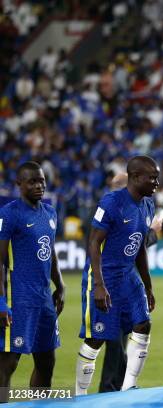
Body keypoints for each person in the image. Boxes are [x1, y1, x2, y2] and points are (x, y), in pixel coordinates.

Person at [75, 156, 160, 395]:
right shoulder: (112, 202)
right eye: (151, 177)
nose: (156, 182)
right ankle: (80, 395)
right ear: (134, 177)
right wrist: (99, 285)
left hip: (128, 275)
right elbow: (94, 242)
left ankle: (129, 385)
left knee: (143, 324)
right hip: (104, 275)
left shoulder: (147, 204)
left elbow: (141, 246)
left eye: (157, 178)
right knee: (97, 338)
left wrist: (148, 286)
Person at [0, 162, 65, 403]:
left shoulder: (50, 213)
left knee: (47, 362)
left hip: (44, 298)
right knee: (7, 364)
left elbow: (51, 251)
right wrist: (1, 302)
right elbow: (1, 262)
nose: (39, 185)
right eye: (32, 181)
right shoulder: (9, 214)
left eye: (41, 180)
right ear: (19, 184)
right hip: (19, 299)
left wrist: (60, 284)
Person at [98, 172, 163, 393]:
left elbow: (136, 245)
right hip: (110, 283)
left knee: (122, 339)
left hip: (126, 283)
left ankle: (118, 386)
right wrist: (153, 233)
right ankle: (109, 388)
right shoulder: (110, 209)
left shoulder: (134, 207)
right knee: (115, 340)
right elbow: (134, 242)